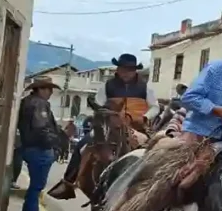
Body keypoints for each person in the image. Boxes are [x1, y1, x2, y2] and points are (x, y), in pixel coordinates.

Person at [49, 53, 159, 199]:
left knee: (155, 150)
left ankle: (153, 188)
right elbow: (99, 105)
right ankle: (68, 182)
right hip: (110, 126)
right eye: (123, 69)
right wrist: (105, 116)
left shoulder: (145, 88)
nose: (126, 73)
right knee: (84, 143)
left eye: (130, 69)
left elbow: (155, 107)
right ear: (118, 69)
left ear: (135, 70)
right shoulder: (107, 86)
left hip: (137, 127)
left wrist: (145, 117)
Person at [16, 77, 62, 211]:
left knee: (36, 186)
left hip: (30, 147)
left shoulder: (28, 101)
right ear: (41, 89)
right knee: (36, 186)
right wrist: (52, 144)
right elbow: (40, 128)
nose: (50, 93)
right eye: (49, 89)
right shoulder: (39, 104)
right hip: (39, 148)